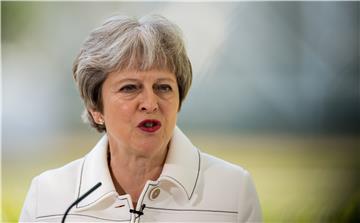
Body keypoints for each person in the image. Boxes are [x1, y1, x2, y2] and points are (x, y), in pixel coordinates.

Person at [20, 15, 262, 222]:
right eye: (129, 88)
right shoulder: (48, 198)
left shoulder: (233, 191)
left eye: (163, 87)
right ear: (96, 108)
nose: (150, 103)